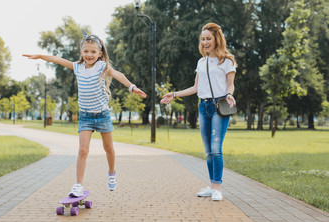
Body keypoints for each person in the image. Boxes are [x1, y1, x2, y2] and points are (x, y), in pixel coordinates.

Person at [23, 30, 147, 197]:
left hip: (102, 114)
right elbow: (57, 60)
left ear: (100, 53)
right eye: (86, 51)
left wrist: (132, 87)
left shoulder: (102, 66)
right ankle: (78, 184)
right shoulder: (77, 67)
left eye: (93, 51)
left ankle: (111, 173)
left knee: (108, 148)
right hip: (85, 116)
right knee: (82, 150)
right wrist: (40, 56)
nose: (89, 55)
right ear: (81, 52)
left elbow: (118, 74)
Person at [161, 23, 236, 201]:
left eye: (208, 38)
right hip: (204, 107)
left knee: (216, 149)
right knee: (208, 151)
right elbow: (196, 87)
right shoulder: (201, 62)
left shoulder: (227, 60)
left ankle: (217, 188)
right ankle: (211, 186)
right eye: (202, 39)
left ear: (217, 39)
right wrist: (174, 94)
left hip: (220, 106)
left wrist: (230, 95)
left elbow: (230, 84)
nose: (205, 42)